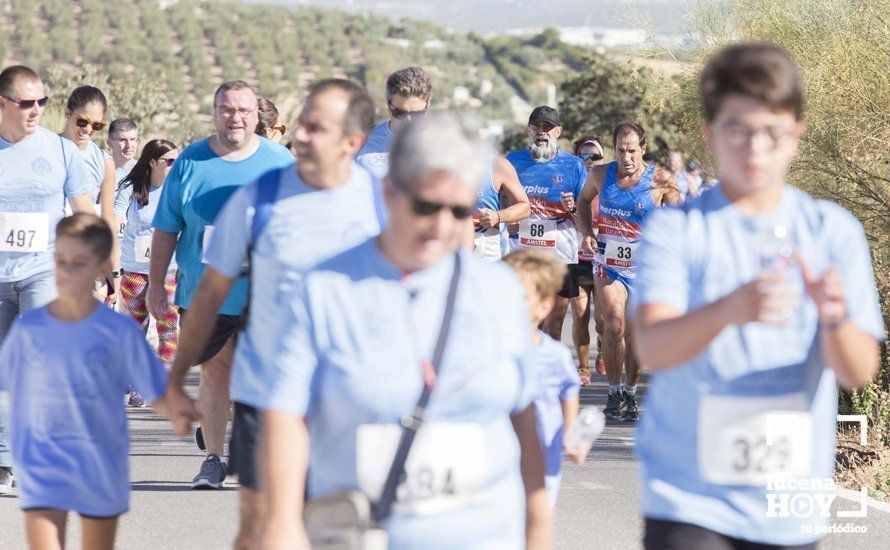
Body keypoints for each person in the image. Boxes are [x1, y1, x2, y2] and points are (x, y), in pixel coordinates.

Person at [632, 42, 884, 549]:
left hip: (788, 505)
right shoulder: (675, 231)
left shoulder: (831, 232)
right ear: (710, 134)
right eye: (737, 131)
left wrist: (835, 318)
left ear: (796, 135)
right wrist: (728, 311)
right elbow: (653, 348)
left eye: (772, 133)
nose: (755, 150)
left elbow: (859, 372)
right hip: (689, 498)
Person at [261, 113, 551, 549]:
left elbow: (525, 422)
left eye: (459, 210)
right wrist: (281, 527)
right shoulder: (323, 290)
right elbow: (284, 419)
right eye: (425, 206)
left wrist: (538, 534)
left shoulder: (500, 291)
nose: (441, 225)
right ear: (389, 193)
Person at [163, 79, 384, 550]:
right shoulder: (261, 195)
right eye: (300, 123)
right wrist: (177, 376)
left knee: (343, 526)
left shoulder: (380, 205)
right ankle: (218, 459)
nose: (298, 134)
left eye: (314, 127)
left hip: (344, 394)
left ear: (352, 141)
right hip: (276, 390)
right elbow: (210, 292)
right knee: (265, 523)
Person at [148, 80, 293, 490]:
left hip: (263, 294)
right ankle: (214, 458)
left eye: (244, 110)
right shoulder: (190, 161)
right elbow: (165, 230)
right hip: (204, 291)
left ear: (256, 114)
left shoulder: (279, 161)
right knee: (215, 370)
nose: (236, 118)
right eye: (228, 110)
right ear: (215, 112)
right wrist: (156, 285)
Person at [0, 213, 173, 550]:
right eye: (60, 261)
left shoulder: (120, 330)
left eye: (78, 263)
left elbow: (155, 386)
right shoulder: (30, 327)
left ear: (100, 271)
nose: (66, 272)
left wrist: (179, 411)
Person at [0, 65, 94, 495]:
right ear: (3, 104)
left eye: (43, 101)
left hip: (43, 271)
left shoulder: (60, 150)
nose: (36, 109)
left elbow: (84, 212)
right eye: (26, 102)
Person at [577, 122, 680, 422]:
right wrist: (586, 231)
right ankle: (613, 392)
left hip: (644, 268)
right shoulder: (599, 174)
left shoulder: (660, 180)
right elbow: (584, 202)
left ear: (643, 150)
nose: (626, 158)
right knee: (613, 324)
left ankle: (630, 393)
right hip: (608, 262)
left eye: (632, 151)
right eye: (621, 151)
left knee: (634, 334)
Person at [503, 249, 584, 507]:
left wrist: (572, 434)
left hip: (544, 456)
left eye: (522, 297)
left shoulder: (555, 355)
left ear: (544, 306)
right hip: (500, 453)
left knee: (537, 517)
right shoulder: (492, 347)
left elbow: (569, 391)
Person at [506, 106, 587, 343]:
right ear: (528, 130)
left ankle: (548, 373)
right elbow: (500, 199)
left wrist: (572, 208)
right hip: (522, 251)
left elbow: (584, 221)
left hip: (560, 252)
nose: (542, 133)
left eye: (548, 128)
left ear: (558, 131)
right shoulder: (512, 161)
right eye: (537, 127)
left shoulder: (574, 166)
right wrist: (507, 219)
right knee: (526, 318)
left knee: (555, 320)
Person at [114, 139, 180, 407]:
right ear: (152, 162)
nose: (175, 167)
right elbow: (116, 217)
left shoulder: (176, 190)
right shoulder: (130, 189)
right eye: (169, 161)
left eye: (178, 161)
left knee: (168, 328)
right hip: (135, 272)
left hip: (169, 271)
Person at [60, 86, 120, 305]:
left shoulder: (104, 162)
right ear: (68, 113)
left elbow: (108, 220)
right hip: (46, 259)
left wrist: (114, 273)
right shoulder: (47, 149)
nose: (88, 130)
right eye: (82, 121)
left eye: (97, 126)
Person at [355, 66, 432, 179]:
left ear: (427, 105)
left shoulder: (445, 144)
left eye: (417, 114)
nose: (408, 121)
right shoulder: (361, 141)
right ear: (388, 103)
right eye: (400, 113)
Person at [572, 135, 607, 383]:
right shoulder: (571, 182)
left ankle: (603, 349)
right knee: (580, 312)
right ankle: (583, 368)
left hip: (604, 258)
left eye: (594, 156)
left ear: (602, 158)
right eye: (584, 156)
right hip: (576, 256)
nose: (589, 160)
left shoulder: (609, 184)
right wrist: (570, 209)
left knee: (603, 319)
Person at [472, 156, 530, 262]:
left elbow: (524, 207)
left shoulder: (497, 165)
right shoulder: (440, 161)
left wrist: (497, 216)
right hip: (449, 245)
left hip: (486, 249)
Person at [107, 118, 138, 185]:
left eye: (133, 139)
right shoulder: (101, 171)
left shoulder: (145, 172)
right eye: (123, 140)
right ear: (110, 143)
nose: (129, 145)